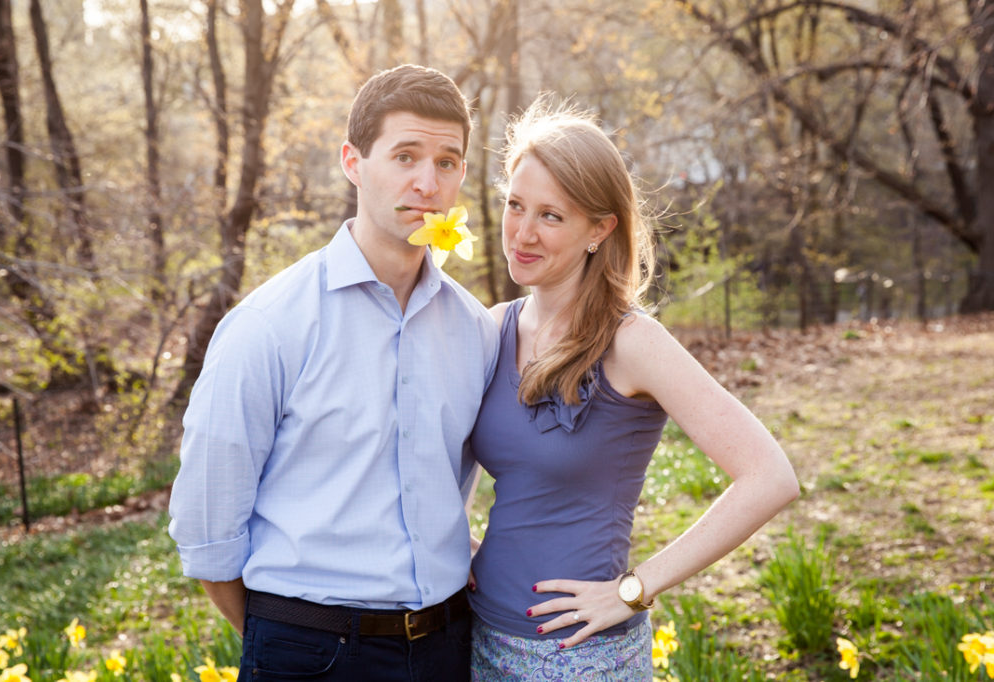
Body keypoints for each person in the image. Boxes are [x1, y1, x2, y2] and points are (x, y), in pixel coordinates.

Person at [168, 64, 499, 681]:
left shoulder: (477, 331)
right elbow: (208, 532)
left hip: (448, 647)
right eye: (405, 155)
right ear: (353, 161)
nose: (428, 182)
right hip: (309, 651)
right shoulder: (268, 325)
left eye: (448, 162)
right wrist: (292, 646)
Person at [466, 97, 800, 680]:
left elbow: (770, 477)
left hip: (581, 657)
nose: (522, 232)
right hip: (476, 635)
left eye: (551, 216)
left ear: (600, 228)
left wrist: (633, 589)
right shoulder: (492, 326)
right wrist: (458, 543)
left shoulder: (633, 342)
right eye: (515, 206)